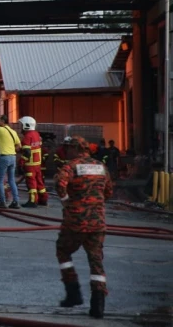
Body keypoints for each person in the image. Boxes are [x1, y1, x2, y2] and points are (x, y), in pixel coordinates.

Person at [55, 136, 113, 319]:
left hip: (76, 222)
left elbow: (59, 184)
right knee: (96, 261)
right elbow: (109, 191)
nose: (66, 152)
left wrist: (66, 202)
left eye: (68, 149)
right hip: (97, 223)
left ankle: (73, 293)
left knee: (63, 250)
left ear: (75, 149)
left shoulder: (71, 166)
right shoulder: (101, 167)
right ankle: (98, 305)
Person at [18, 116, 48, 208]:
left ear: (26, 126)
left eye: (21, 125)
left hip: (30, 165)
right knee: (39, 182)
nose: (21, 127)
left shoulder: (27, 136)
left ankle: (32, 201)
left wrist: (21, 162)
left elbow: (27, 152)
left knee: (31, 183)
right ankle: (43, 199)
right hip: (37, 164)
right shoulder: (36, 134)